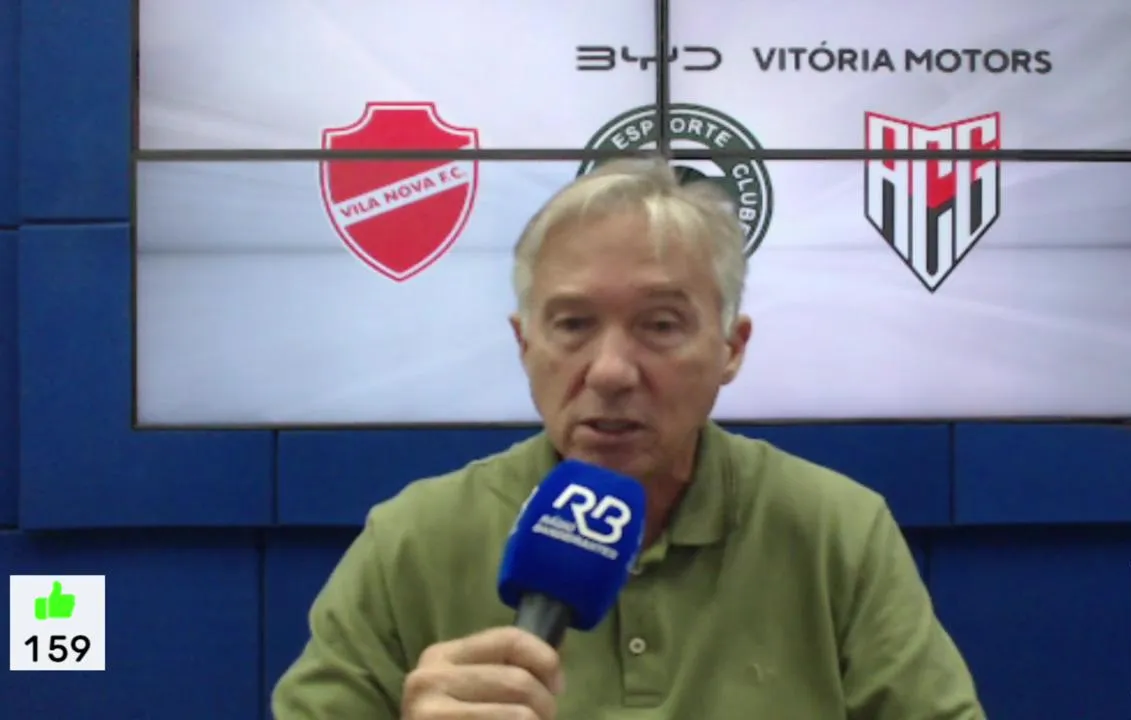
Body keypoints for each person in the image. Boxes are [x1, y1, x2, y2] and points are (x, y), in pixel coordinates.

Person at [271, 158, 986, 719]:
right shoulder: (411, 540)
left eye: (661, 325)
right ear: (524, 345)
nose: (611, 371)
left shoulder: (838, 533)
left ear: (731, 349)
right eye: (573, 325)